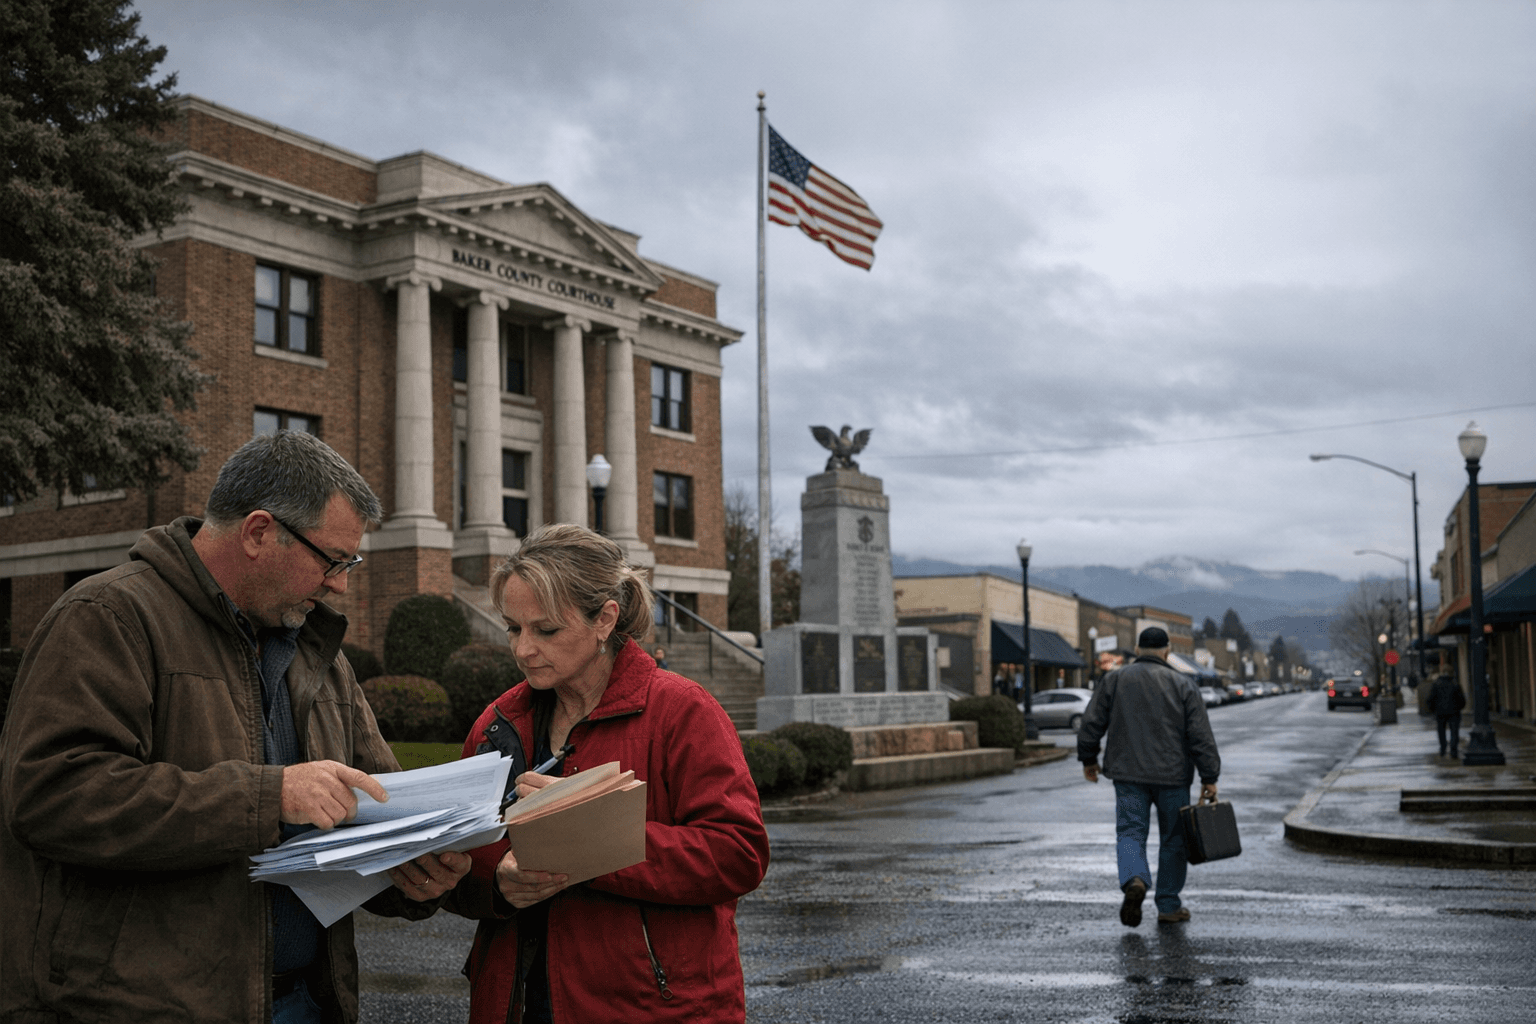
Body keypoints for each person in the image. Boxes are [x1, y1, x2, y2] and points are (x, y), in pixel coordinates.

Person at [0, 430, 462, 1024]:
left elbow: (377, 804)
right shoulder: (107, 617)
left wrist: (415, 874)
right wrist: (269, 796)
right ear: (259, 531)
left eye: (351, 563)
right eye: (331, 560)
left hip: (307, 1001)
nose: (341, 583)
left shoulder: (319, 651)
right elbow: (51, 797)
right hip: (134, 1007)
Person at [414, 523, 770, 1023]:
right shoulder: (496, 726)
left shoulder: (682, 711)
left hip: (651, 1008)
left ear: (605, 619)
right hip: (515, 1000)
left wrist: (584, 837)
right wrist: (495, 886)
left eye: (546, 630)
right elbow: (458, 868)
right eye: (513, 628)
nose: (522, 650)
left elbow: (739, 854)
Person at [1077, 627, 1221, 928]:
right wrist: (1209, 775)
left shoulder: (1114, 679)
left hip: (1127, 774)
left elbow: (1092, 722)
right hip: (1173, 776)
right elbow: (1200, 736)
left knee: (1130, 831)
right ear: (1167, 651)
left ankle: (1135, 880)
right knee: (1173, 839)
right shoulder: (1183, 683)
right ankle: (1168, 904)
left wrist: (1089, 758)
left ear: (1138, 649)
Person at [1427, 672, 1467, 758]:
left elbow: (1431, 698)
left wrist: (1433, 709)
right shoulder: (1455, 683)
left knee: (1441, 731)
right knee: (1454, 731)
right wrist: (1459, 707)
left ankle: (1443, 748)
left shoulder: (1436, 684)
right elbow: (1461, 698)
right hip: (1454, 712)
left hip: (1440, 712)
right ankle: (1453, 750)